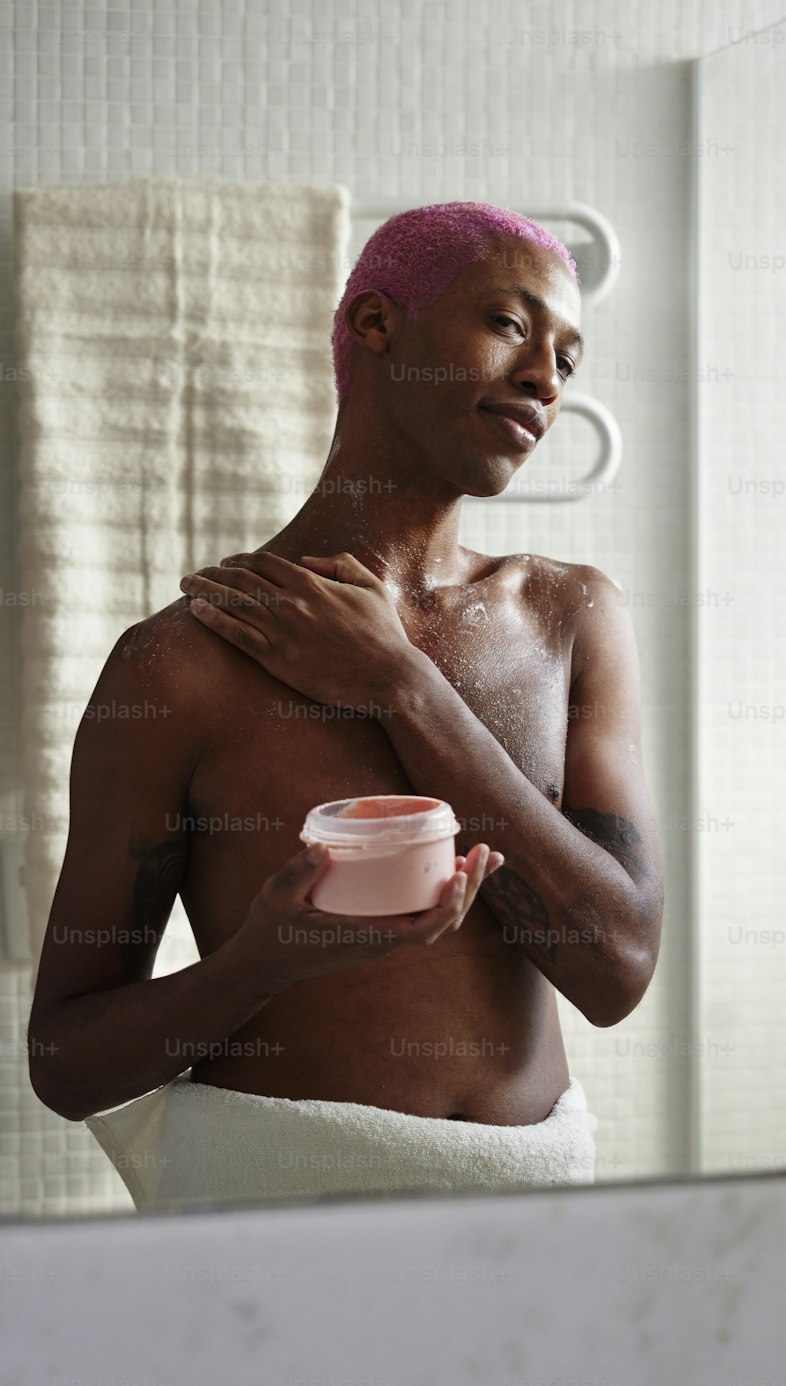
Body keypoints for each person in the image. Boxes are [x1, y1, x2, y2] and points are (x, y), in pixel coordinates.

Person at [26, 202, 664, 1206]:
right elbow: (66, 1061)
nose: (546, 377)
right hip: (268, 1211)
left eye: (567, 359)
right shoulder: (182, 663)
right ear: (376, 325)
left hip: (529, 1209)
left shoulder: (571, 615)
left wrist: (403, 686)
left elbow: (616, 968)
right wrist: (256, 966)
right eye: (509, 323)